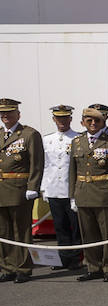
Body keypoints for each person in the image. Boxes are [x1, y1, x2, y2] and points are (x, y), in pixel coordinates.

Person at [68, 106, 108, 281]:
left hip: (104, 194)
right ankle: (93, 267)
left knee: (107, 233)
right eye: (89, 120)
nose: (93, 123)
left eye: (97, 121)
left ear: (103, 122)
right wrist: (72, 196)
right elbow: (72, 171)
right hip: (83, 193)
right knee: (88, 233)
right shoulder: (77, 142)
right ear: (83, 122)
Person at [0, 98, 44, 283]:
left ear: (18, 114)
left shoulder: (29, 134)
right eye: (2, 113)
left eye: (9, 112)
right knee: (4, 232)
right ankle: (7, 267)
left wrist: (33, 187)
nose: (5, 116)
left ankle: (23, 268)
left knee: (21, 230)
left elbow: (37, 163)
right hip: (1, 190)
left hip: (19, 190)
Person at [41, 104, 83, 270]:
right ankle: (63, 259)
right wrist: (44, 187)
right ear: (54, 119)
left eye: (65, 118)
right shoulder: (47, 139)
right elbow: (45, 165)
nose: (62, 121)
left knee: (75, 227)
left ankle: (75, 259)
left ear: (70, 119)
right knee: (60, 226)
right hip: (53, 188)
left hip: (71, 189)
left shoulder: (77, 138)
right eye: (59, 118)